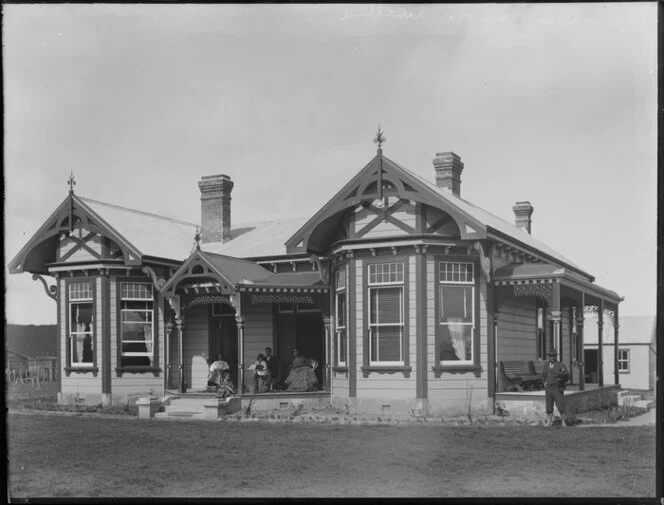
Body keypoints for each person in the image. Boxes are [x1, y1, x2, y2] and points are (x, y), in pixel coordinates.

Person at [543, 349, 569, 427]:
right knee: (549, 406)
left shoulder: (560, 365)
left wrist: (562, 376)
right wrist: (544, 382)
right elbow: (544, 375)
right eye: (550, 356)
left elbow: (567, 376)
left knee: (560, 406)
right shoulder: (546, 365)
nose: (551, 357)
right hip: (548, 388)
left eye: (553, 356)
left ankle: (563, 422)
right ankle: (549, 423)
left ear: (555, 356)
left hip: (557, 388)